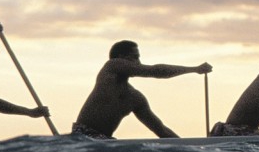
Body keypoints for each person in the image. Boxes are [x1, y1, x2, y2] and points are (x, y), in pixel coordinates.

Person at [71, 41, 212, 139]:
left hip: (103, 141)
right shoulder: (112, 66)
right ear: (122, 58)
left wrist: (192, 149)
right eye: (136, 57)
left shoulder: (135, 98)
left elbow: (161, 131)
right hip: (81, 139)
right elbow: (154, 71)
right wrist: (194, 69)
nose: (139, 62)